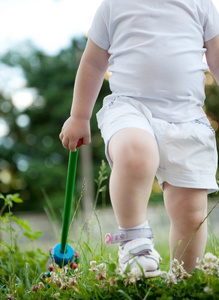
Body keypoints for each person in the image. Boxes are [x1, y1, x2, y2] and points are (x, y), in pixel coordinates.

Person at [59, 0, 219, 277]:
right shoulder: (113, 6)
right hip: (129, 107)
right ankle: (135, 244)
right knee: (136, 154)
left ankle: (185, 281)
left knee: (191, 212)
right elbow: (94, 62)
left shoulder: (201, 4)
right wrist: (79, 116)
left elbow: (217, 55)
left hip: (187, 117)